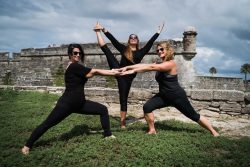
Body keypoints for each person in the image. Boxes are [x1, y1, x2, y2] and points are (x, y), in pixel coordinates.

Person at [21, 43, 119, 155]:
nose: (78, 55)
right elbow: (94, 71)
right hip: (66, 104)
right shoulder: (74, 66)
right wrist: (112, 72)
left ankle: (108, 135)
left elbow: (89, 74)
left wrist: (111, 73)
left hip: (80, 104)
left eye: (79, 53)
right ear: (70, 54)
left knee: (102, 110)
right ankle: (27, 145)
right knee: (47, 124)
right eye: (75, 53)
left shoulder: (75, 66)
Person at [119, 41, 219, 136]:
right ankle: (152, 130)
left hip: (177, 96)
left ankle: (213, 132)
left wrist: (131, 71)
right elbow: (145, 66)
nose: (159, 52)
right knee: (147, 107)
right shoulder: (160, 64)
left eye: (161, 49)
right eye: (157, 50)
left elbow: (151, 67)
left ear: (168, 50)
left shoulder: (171, 64)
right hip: (164, 96)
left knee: (194, 116)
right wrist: (128, 67)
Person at [93, 22, 164, 128]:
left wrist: (158, 32)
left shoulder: (141, 52)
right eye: (131, 37)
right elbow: (113, 40)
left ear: (137, 40)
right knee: (107, 51)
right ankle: (97, 32)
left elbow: (150, 42)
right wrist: (103, 29)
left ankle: (122, 122)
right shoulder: (124, 49)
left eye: (135, 37)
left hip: (128, 78)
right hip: (119, 72)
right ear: (129, 40)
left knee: (123, 98)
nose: (133, 38)